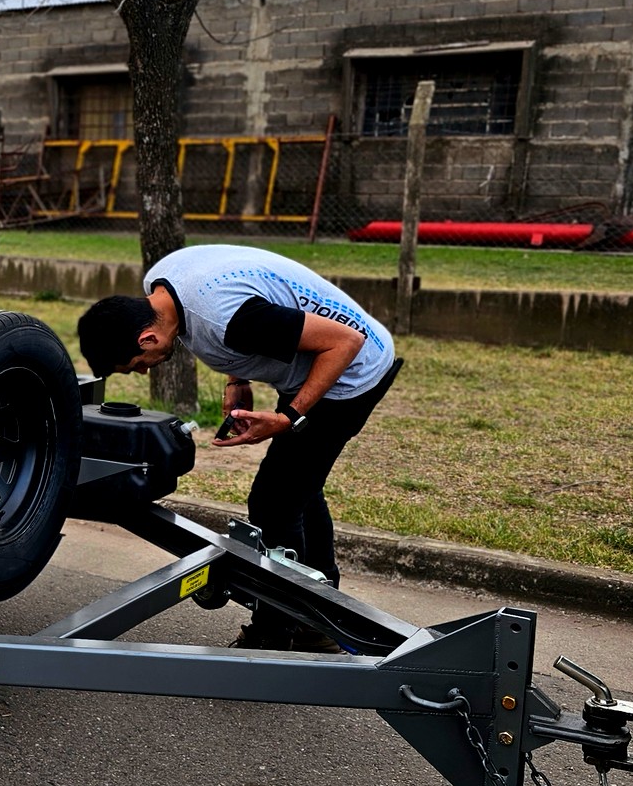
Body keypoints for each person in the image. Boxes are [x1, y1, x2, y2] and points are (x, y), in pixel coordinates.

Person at [77, 244, 403, 652]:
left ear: (147, 337)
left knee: (274, 502)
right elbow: (237, 313)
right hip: (315, 358)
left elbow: (345, 342)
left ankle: (278, 629)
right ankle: (321, 620)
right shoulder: (162, 283)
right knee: (298, 489)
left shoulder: (230, 320)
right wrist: (237, 378)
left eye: (138, 364)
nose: (145, 370)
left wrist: (289, 417)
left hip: (352, 371)